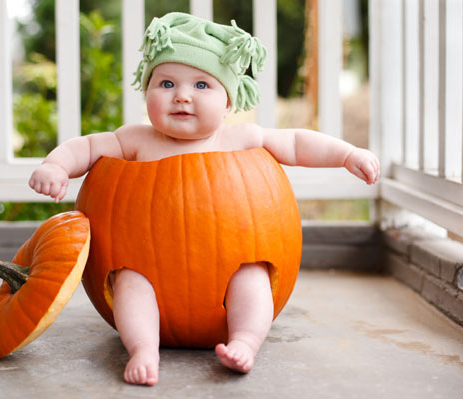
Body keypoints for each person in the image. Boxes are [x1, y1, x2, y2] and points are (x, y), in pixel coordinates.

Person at [29, 12, 380, 386]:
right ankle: (143, 348)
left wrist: (347, 154)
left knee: (253, 276)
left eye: (201, 84)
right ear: (146, 91)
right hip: (147, 264)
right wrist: (56, 166)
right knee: (129, 281)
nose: (182, 95)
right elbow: (85, 146)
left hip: (227, 261)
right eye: (166, 83)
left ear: (227, 102)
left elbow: (296, 142)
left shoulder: (240, 139)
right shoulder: (133, 140)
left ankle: (245, 340)